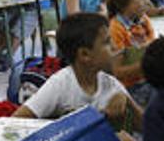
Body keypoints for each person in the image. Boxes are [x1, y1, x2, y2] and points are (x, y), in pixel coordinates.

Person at [13, 12, 143, 128]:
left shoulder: (111, 84)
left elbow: (145, 126)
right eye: (107, 42)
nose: (115, 46)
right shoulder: (61, 84)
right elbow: (14, 122)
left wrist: (128, 103)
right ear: (85, 54)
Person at [107, 0, 157, 107]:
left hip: (148, 80)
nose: (148, 2)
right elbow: (117, 72)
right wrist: (146, 66)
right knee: (163, 95)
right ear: (122, 0)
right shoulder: (116, 28)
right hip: (129, 89)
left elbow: (153, 47)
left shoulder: (144, 20)